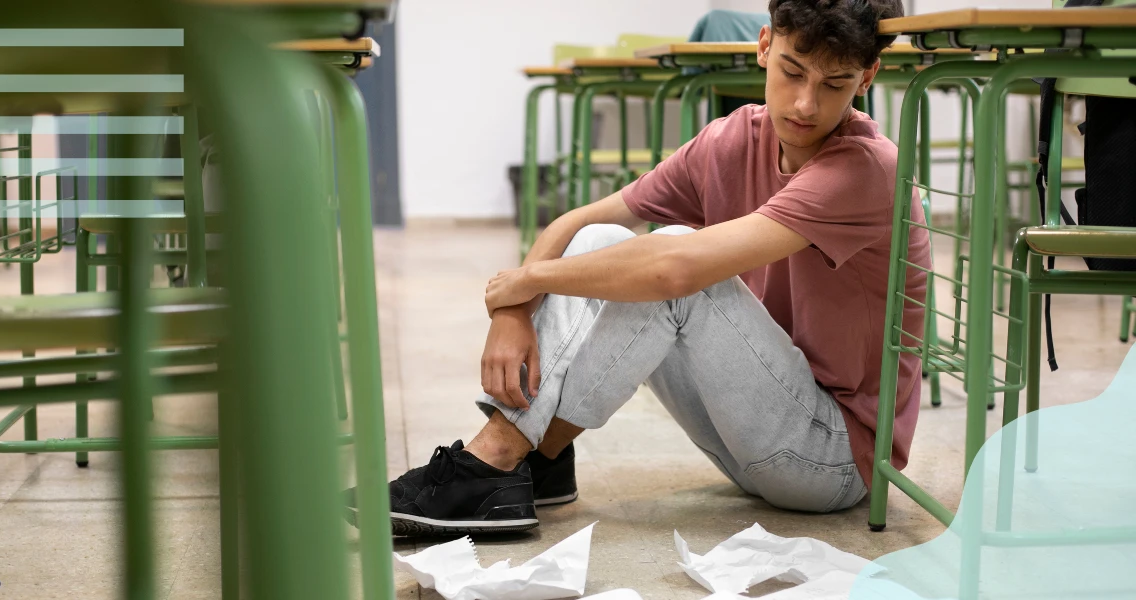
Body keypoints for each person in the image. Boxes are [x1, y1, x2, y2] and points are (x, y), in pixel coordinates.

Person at [370, 0, 930, 537]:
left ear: (867, 77)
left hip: (833, 459)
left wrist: (526, 281)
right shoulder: (734, 138)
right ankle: (540, 460)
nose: (806, 104)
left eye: (833, 84)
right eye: (793, 72)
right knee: (602, 240)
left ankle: (489, 465)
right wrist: (512, 311)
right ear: (764, 46)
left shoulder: (866, 170)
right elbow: (581, 222)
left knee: (677, 267)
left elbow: (674, 271)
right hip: (753, 430)